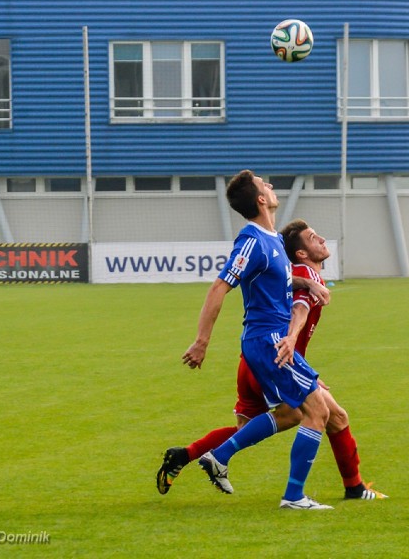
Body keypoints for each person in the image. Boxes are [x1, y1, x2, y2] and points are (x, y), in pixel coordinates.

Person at [157, 219, 387, 501]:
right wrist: (293, 347)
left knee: (249, 428)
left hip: (253, 360)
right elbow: (299, 310)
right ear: (301, 252)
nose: (322, 240)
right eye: (314, 237)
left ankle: (185, 454)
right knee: (317, 415)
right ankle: (348, 489)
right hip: (277, 357)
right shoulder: (309, 276)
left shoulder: (288, 272)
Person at [171, 170, 333, 510]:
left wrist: (307, 284)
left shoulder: (273, 240)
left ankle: (220, 456)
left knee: (291, 413)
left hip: (268, 339)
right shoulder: (252, 241)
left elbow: (276, 287)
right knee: (317, 410)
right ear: (260, 199)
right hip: (268, 340)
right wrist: (201, 341)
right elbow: (220, 286)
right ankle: (293, 496)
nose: (270, 186)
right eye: (264, 184)